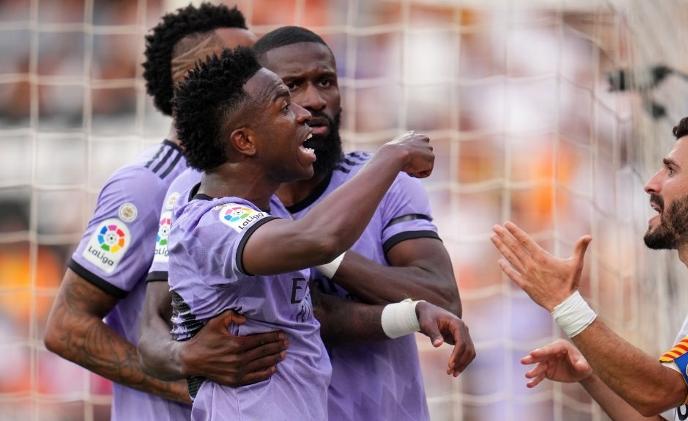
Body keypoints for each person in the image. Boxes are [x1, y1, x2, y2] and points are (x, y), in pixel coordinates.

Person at [168, 46, 473, 419]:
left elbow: (317, 314)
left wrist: (413, 313)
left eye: (325, 82)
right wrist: (392, 156)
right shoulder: (210, 223)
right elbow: (318, 240)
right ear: (245, 141)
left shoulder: (268, 217)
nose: (304, 113)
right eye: (284, 106)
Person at [43, 4, 280, 421]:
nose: (265, 76)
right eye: (245, 64)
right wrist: (191, 387)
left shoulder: (258, 184)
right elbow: (66, 326)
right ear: (197, 80)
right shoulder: (146, 187)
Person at [254, 26, 463, 420]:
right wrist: (314, 243)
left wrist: (320, 250)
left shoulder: (386, 183)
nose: (314, 100)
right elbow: (309, 315)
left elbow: (443, 300)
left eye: (326, 82)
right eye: (292, 86)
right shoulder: (234, 204)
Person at [491, 116, 688, 420]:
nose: (650, 184)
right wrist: (594, 374)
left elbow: (658, 392)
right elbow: (657, 406)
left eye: (670, 170)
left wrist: (566, 303)